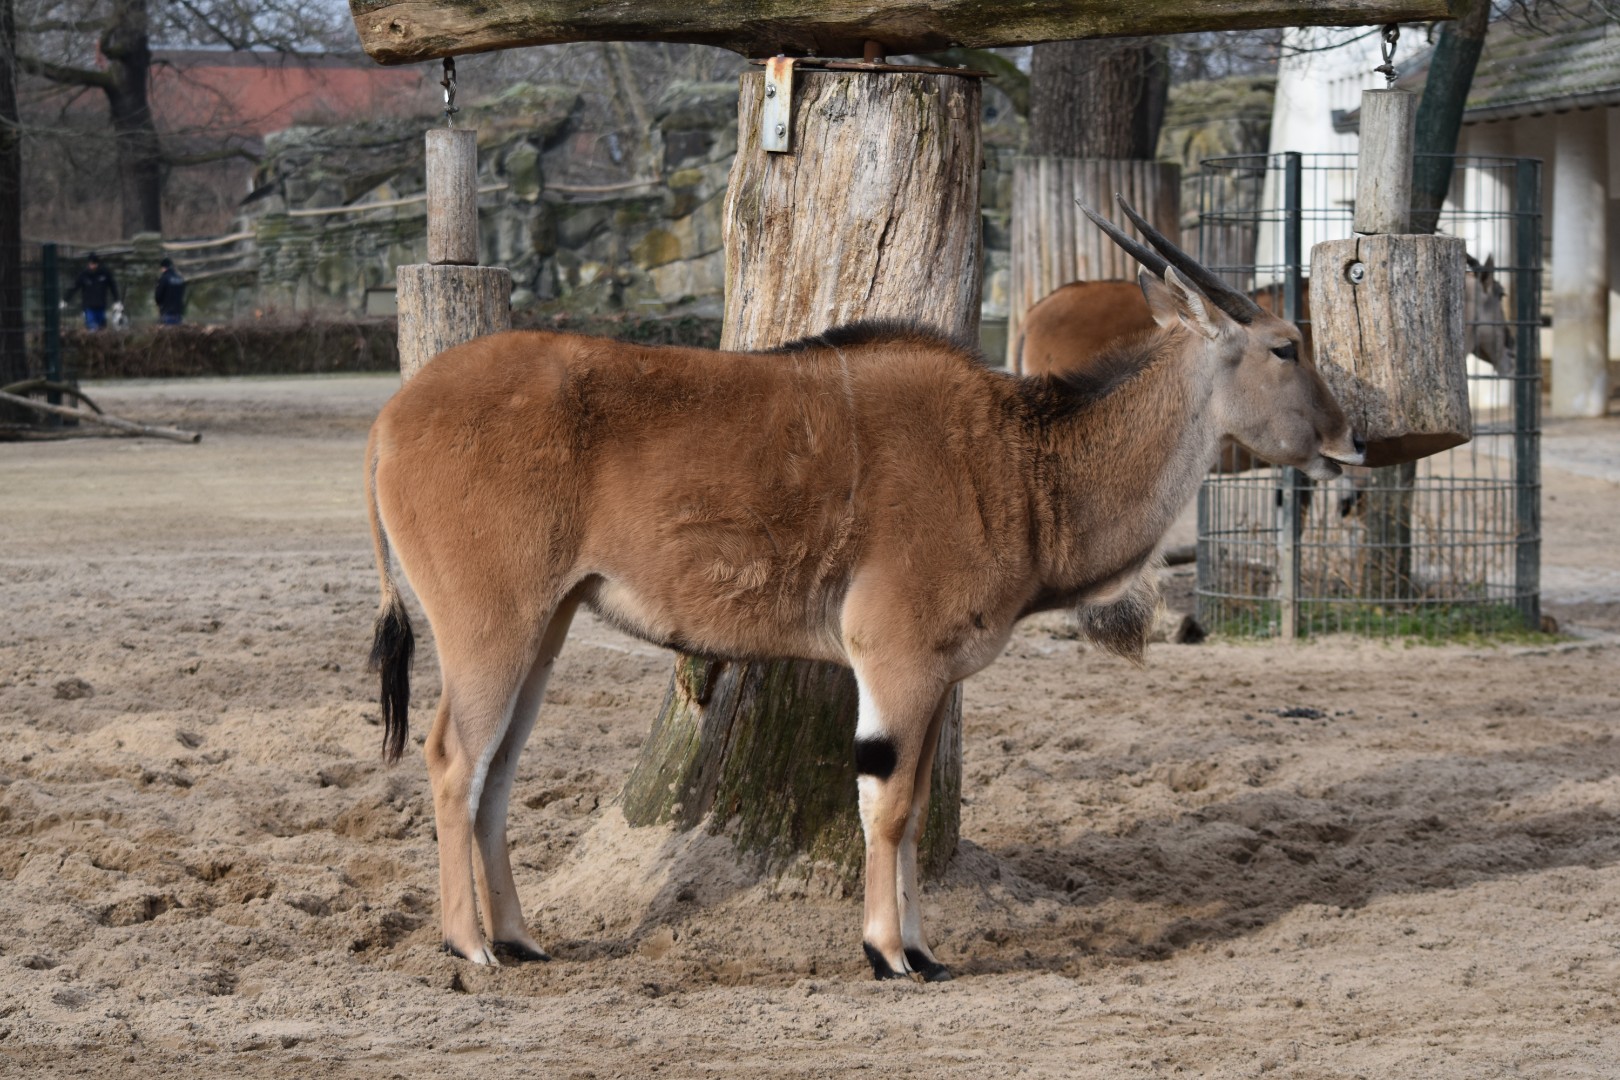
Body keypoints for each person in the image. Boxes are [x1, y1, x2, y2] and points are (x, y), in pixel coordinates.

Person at [63, 253, 120, 331]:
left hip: (101, 305)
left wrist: (117, 301)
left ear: (97, 264)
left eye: (94, 264)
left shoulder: (105, 273)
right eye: (90, 264)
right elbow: (74, 287)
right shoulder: (84, 275)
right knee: (92, 327)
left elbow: (113, 287)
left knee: (101, 328)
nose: (92, 266)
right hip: (88, 306)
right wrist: (65, 300)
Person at [154, 257, 187, 326]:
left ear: (163, 267)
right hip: (178, 313)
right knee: (177, 334)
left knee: (168, 335)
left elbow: (158, 296)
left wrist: (159, 304)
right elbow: (183, 294)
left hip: (167, 313)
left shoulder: (164, 278)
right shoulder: (180, 278)